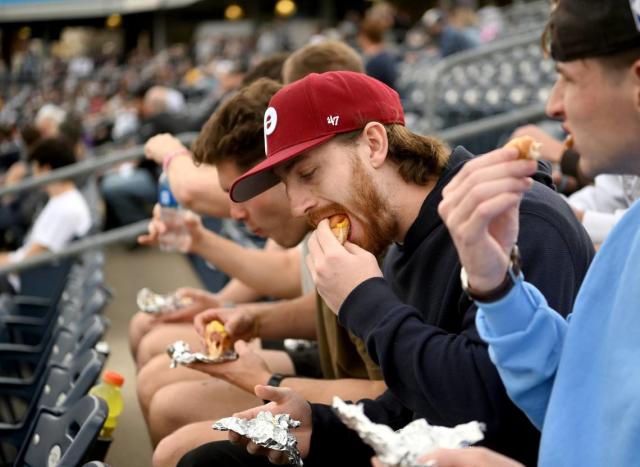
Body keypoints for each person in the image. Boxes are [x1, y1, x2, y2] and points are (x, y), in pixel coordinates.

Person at [178, 71, 593, 466]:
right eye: (289, 185)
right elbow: (413, 401)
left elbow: (491, 409)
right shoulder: (397, 246)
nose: (298, 205)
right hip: (431, 446)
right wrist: (320, 426)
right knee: (207, 460)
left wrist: (365, 302)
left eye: (308, 173)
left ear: (374, 144)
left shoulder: (514, 218)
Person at [431, 0, 640, 465]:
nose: (552, 104)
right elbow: (579, 399)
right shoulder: (631, 231)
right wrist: (495, 282)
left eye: (568, 77)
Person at [0, 137, 91, 290]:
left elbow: (26, 264)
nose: (34, 176)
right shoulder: (63, 201)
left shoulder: (65, 209)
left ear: (46, 170)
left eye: (35, 169)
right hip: (27, 275)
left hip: (24, 284)